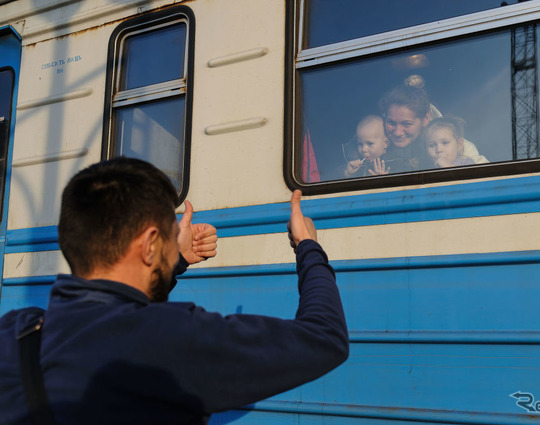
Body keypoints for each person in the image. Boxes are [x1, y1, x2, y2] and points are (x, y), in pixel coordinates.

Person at [0, 157, 349, 425]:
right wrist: (308, 247)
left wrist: (174, 262)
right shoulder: (172, 339)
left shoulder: (16, 334)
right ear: (150, 244)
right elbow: (324, 338)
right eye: (168, 236)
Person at [378, 75, 487, 172]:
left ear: (425, 118)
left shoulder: (455, 145)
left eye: (407, 124)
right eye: (391, 123)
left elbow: (487, 178)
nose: (397, 132)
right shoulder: (376, 145)